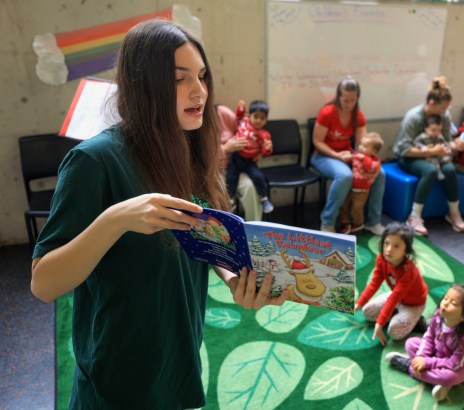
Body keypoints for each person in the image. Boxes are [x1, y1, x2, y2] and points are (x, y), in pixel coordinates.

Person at [29, 20, 287, 408]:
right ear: (142, 83)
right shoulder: (92, 161)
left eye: (201, 77)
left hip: (179, 353)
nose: (199, 91)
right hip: (117, 373)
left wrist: (235, 279)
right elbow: (43, 283)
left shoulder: (190, 146)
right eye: (179, 79)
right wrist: (116, 219)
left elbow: (206, 231)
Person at [393, 76, 464, 236]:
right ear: (431, 104)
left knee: (450, 169)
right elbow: (404, 149)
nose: (445, 112)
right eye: (442, 108)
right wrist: (432, 152)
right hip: (409, 157)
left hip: (436, 155)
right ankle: (414, 217)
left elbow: (447, 141)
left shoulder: (444, 116)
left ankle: (454, 212)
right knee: (430, 171)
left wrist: (456, 145)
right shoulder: (413, 117)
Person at [310, 77, 386, 235]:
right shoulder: (327, 112)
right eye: (345, 100)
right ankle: (328, 222)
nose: (349, 104)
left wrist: (367, 161)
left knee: (381, 174)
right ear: (338, 96)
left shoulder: (358, 115)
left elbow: (363, 144)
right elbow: (317, 142)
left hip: (349, 155)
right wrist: (337, 156)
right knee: (344, 176)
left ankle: (373, 221)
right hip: (324, 155)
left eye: (353, 100)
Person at [385, 284, 464, 402]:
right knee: (410, 343)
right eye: (446, 298)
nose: (445, 303)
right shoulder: (438, 315)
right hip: (435, 354)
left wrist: (427, 362)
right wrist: (421, 357)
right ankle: (434, 382)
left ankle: (410, 367)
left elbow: (455, 363)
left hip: (456, 367)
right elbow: (428, 338)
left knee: (449, 377)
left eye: (453, 303)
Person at [354, 222, 428, 345]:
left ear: (406, 250)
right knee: (367, 312)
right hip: (397, 298)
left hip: (413, 304)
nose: (389, 249)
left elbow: (393, 299)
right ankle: (394, 313)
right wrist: (359, 303)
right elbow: (374, 284)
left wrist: (380, 323)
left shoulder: (408, 271)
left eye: (396, 246)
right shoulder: (382, 259)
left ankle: (417, 320)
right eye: (386, 243)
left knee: (394, 332)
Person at [226, 99, 274, 214]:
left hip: (250, 161)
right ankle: (230, 199)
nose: (258, 120)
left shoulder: (264, 134)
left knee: (259, 177)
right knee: (231, 177)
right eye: (256, 116)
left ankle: (264, 198)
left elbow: (265, 150)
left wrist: (266, 149)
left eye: (262, 118)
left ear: (266, 120)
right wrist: (241, 107)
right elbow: (239, 115)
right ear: (249, 115)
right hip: (236, 157)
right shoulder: (244, 122)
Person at [217, 104, 263, 221]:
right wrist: (225, 148)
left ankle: (255, 230)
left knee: (250, 187)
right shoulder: (191, 120)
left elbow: (245, 124)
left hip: (235, 164)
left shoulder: (221, 111)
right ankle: (227, 231)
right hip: (212, 171)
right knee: (221, 194)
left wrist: (260, 149)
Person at [339, 132, 383, 234]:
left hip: (362, 190)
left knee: (357, 208)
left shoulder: (374, 160)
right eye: (361, 145)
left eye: (365, 146)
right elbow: (351, 157)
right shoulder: (358, 155)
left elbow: (372, 167)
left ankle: (358, 224)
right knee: (345, 205)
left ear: (374, 151)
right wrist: (347, 156)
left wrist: (363, 158)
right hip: (351, 186)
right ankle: (345, 223)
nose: (361, 148)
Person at [414, 114, 452, 180]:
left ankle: (443, 161)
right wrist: (422, 147)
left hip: (439, 153)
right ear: (426, 128)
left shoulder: (439, 136)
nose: (436, 133)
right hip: (429, 155)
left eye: (439, 130)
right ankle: (438, 172)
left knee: (446, 158)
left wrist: (447, 149)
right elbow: (415, 142)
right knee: (434, 161)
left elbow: (444, 142)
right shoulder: (423, 136)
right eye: (433, 130)